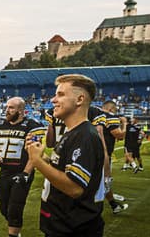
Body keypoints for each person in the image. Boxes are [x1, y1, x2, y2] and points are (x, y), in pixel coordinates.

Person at [26, 74, 105, 236]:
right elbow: (62, 168)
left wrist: (36, 161)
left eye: (60, 94)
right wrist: (43, 157)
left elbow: (74, 188)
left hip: (73, 228)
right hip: (62, 223)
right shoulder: (74, 132)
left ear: (79, 99)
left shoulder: (84, 135)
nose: (53, 100)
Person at [0, 97, 45, 237]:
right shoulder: (0, 124)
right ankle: (15, 229)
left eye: (11, 108)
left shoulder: (31, 126)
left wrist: (25, 174)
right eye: (7, 107)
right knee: (4, 208)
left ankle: (14, 233)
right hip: (5, 172)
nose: (7, 110)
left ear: (21, 111)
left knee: (15, 208)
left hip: (22, 172)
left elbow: (35, 153)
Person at [100, 100, 129, 213]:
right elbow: (120, 135)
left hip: (90, 152)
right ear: (111, 109)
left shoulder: (94, 114)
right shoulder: (110, 116)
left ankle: (114, 205)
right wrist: (124, 123)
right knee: (105, 182)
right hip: (104, 154)